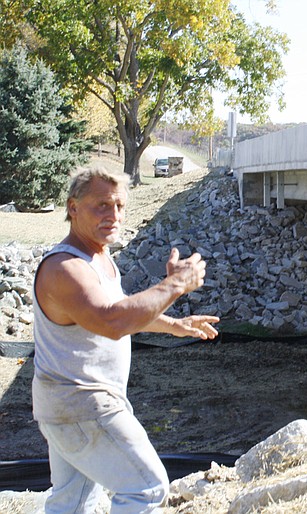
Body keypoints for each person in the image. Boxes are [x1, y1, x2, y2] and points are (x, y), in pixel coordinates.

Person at [32, 166, 219, 513]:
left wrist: (173, 324)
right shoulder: (65, 268)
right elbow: (112, 321)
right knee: (146, 488)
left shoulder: (97, 256)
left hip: (70, 406)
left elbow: (117, 311)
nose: (113, 215)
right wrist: (175, 285)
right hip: (84, 405)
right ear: (73, 208)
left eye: (119, 206)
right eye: (102, 205)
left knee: (72, 503)